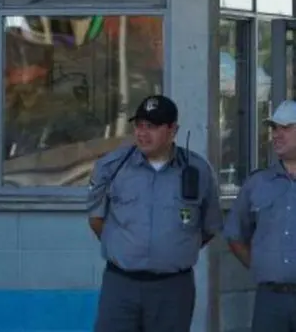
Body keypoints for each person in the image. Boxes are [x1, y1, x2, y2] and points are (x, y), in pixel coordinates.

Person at [87, 94, 223, 332]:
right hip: (121, 285)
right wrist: (124, 247)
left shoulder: (197, 170)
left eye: (152, 126)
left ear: (173, 130)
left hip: (172, 289)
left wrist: (174, 249)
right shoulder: (112, 166)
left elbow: (209, 227)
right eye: (139, 125)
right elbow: (96, 219)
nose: (142, 133)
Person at [223, 100, 296, 332]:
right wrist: (261, 266)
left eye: (286, 128)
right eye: (274, 128)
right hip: (270, 300)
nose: (277, 135)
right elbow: (234, 234)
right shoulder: (258, 183)